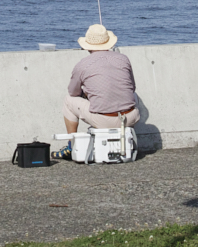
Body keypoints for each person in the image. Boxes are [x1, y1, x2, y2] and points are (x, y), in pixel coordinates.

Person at [57, 23, 139, 158]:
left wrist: (87, 94)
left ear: (87, 45)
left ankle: (72, 146)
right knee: (133, 96)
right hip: (129, 118)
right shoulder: (124, 59)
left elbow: (73, 93)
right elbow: (132, 88)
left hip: (103, 120)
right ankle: (126, 138)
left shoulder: (82, 64)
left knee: (68, 101)